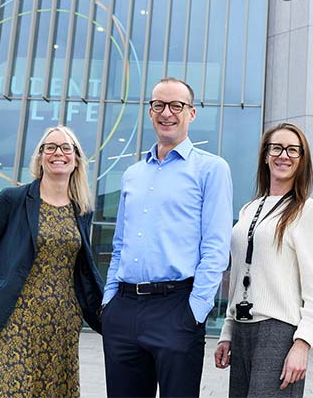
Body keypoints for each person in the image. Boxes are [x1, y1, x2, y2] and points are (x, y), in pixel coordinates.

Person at [101, 77, 233, 398]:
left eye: (177, 105)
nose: (167, 113)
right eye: (159, 105)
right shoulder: (133, 174)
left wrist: (195, 311)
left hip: (176, 309)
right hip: (124, 310)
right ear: (150, 112)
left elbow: (216, 247)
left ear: (191, 113)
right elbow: (120, 245)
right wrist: (109, 302)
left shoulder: (211, 170)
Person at [0, 126, 103, 397]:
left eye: (65, 148)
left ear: (76, 159)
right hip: (13, 321)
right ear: (40, 157)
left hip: (62, 325)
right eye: (49, 147)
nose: (57, 153)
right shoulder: (12, 199)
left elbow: (81, 269)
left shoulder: (82, 209)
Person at [214, 123, 313, 398]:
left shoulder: (310, 211)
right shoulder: (249, 209)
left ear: (302, 159)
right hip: (243, 330)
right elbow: (239, 275)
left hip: (278, 332)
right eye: (277, 148)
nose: (284, 155)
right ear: (265, 155)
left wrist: (302, 344)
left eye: (293, 150)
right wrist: (227, 331)